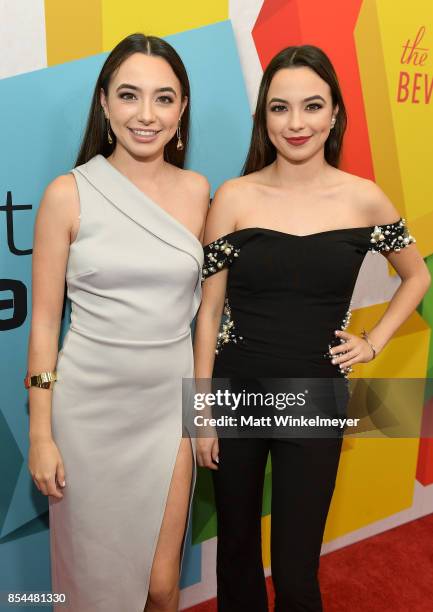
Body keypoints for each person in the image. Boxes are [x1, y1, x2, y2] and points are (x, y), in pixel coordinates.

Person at [193, 45, 430, 612]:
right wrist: (199, 413)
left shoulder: (363, 198)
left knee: (298, 570)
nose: (296, 123)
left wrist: (373, 342)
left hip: (317, 397)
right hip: (234, 393)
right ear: (264, 116)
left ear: (335, 114)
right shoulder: (232, 197)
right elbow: (207, 312)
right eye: (280, 108)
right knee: (238, 558)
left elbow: (416, 277)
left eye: (312, 106)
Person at [26, 33, 209, 612]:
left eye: (164, 98)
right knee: (93, 590)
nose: (146, 114)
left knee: (159, 586)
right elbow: (44, 328)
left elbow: (208, 312)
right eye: (129, 96)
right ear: (104, 103)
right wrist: (40, 433)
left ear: (181, 110)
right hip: (88, 416)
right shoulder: (67, 195)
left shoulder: (199, 192)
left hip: (167, 412)